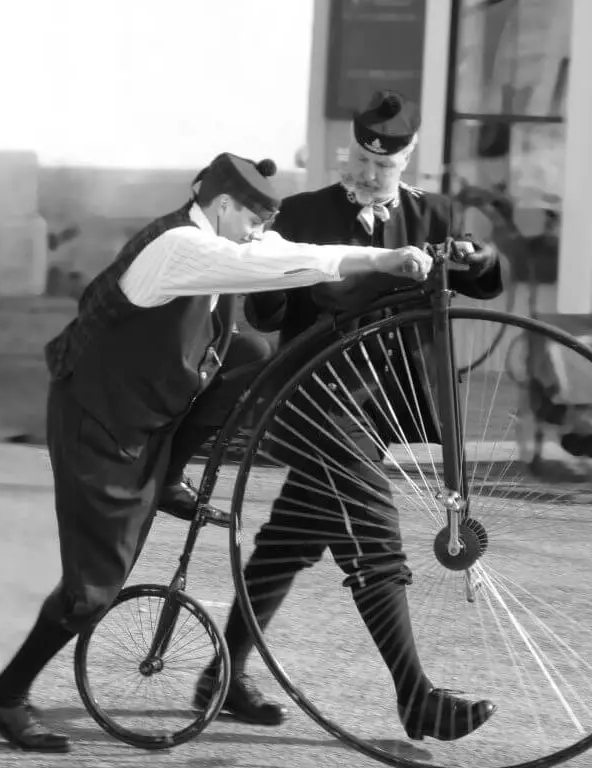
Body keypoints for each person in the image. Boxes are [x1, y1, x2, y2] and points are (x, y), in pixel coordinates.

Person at [0, 149, 436, 753]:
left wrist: (386, 258)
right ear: (222, 206)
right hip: (101, 423)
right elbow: (283, 265)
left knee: (248, 351)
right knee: (93, 591)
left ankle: (167, 479)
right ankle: (4, 698)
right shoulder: (182, 249)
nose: (259, 234)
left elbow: (273, 256)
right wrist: (382, 258)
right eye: (253, 220)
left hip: (146, 412)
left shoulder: (213, 239)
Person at [192, 90, 504, 742]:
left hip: (375, 413)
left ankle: (221, 676)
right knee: (373, 532)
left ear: (406, 160)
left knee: (291, 541)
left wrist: (479, 258)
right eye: (361, 160)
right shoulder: (304, 212)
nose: (368, 175)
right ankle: (416, 696)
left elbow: (484, 280)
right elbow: (264, 315)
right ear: (350, 151)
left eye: (382, 167)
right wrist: (291, 273)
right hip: (307, 403)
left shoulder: (431, 215)